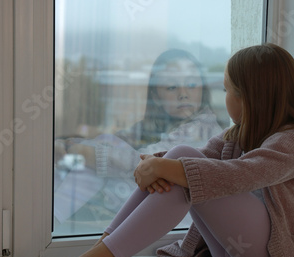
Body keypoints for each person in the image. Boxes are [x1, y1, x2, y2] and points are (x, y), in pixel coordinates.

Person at [27, 43, 294, 257]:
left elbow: (241, 174)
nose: (223, 98)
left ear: (249, 97)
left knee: (184, 165)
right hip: (239, 254)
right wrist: (157, 164)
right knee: (181, 159)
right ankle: (100, 255)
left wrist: (165, 166)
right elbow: (200, 156)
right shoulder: (239, 134)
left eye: (226, 90)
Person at [53, 49, 223, 226]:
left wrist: (86, 154)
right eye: (171, 87)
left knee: (94, 161)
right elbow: (120, 140)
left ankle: (53, 217)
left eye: (192, 85)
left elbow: (144, 163)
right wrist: (72, 145)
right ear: (156, 97)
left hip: (180, 219)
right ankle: (54, 211)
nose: (183, 93)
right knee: (106, 142)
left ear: (202, 90)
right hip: (153, 205)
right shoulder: (160, 124)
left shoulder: (201, 130)